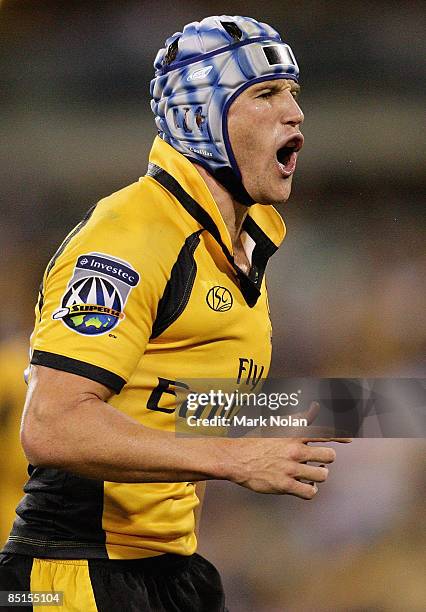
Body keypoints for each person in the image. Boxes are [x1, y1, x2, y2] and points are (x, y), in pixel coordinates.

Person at [0, 15, 350, 612]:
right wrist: (235, 459)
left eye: (293, 93)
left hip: (171, 571)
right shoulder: (128, 238)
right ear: (200, 116)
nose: (294, 112)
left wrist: (354, 407)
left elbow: (171, 399)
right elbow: (52, 426)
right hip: (70, 573)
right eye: (266, 94)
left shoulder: (242, 245)